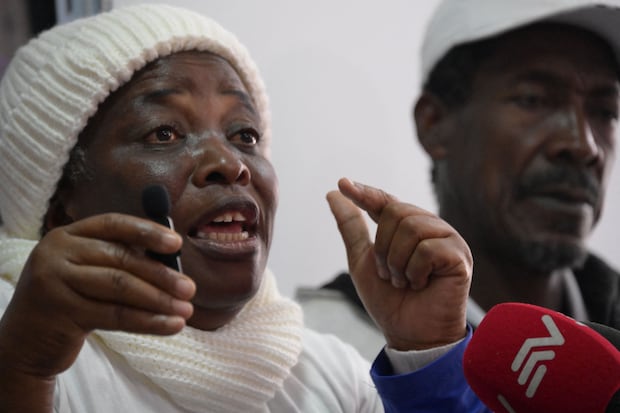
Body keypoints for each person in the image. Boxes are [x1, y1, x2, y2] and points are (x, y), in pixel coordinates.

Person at [0, 4, 487, 412]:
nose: (229, 163)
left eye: (244, 135)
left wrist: (427, 359)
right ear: (59, 205)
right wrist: (22, 370)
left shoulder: (330, 377)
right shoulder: (18, 336)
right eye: (164, 132)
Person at [297, 0, 620, 360]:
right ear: (434, 124)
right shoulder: (318, 358)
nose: (583, 145)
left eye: (605, 111)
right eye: (534, 100)